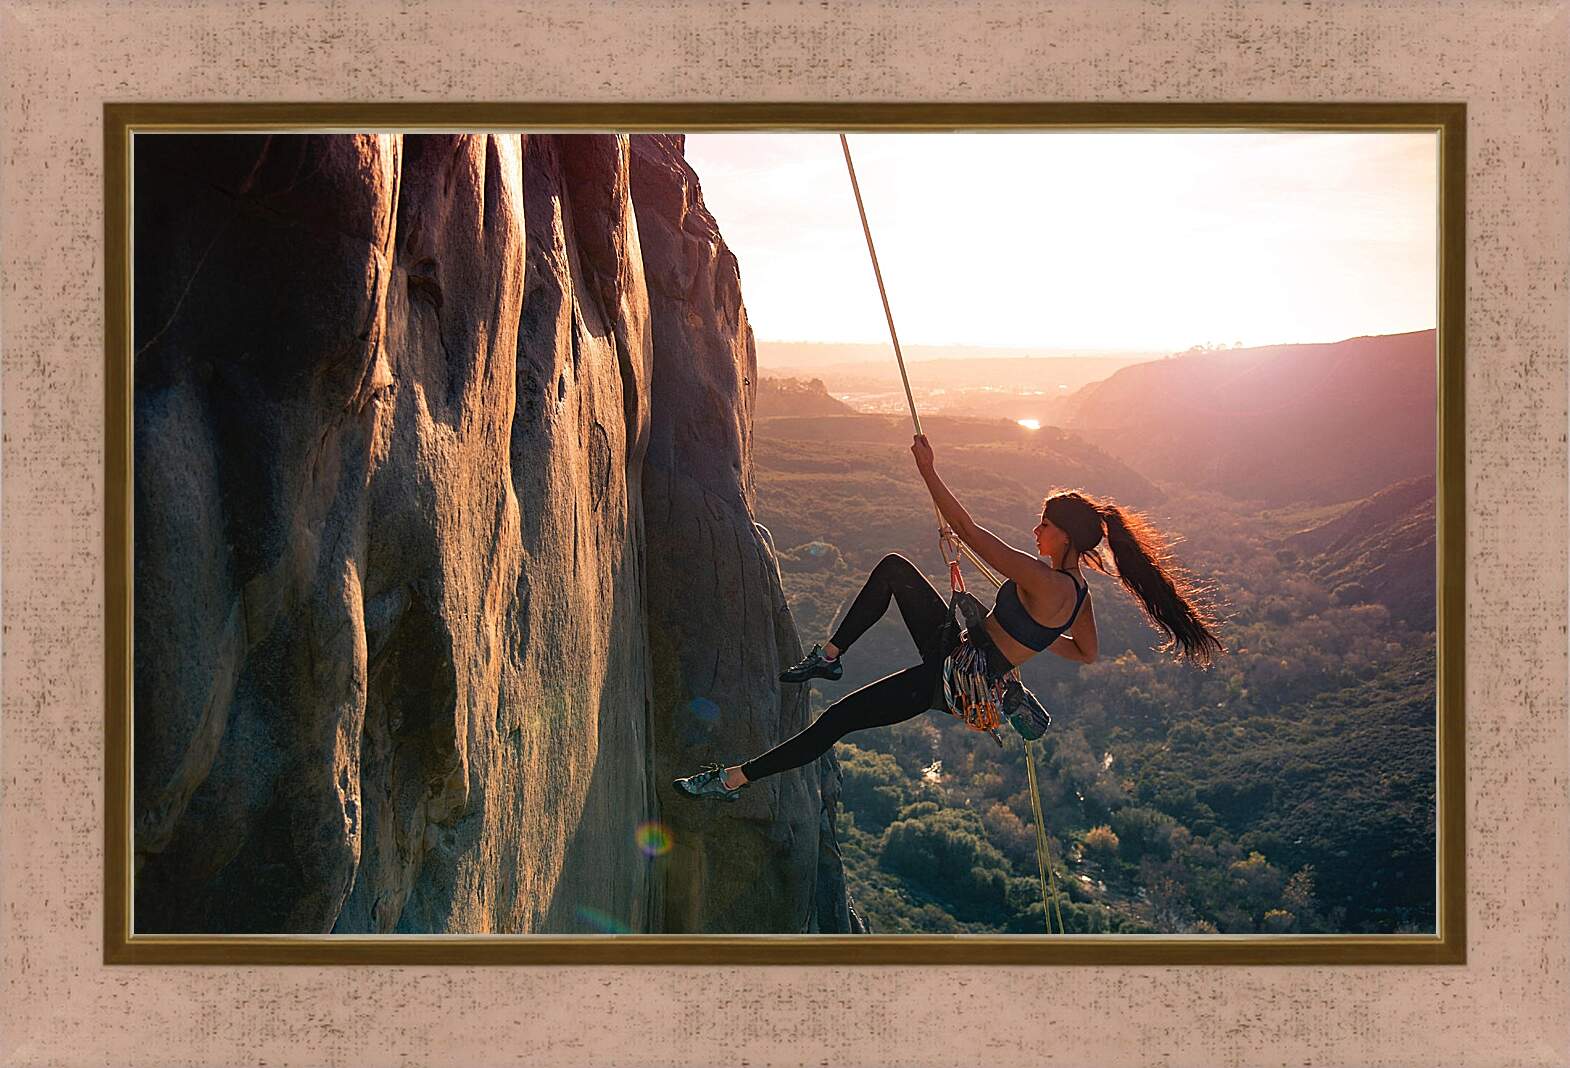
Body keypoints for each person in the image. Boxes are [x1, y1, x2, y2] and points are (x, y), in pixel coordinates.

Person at [673, 433, 1225, 801]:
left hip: (952, 675)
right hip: (965, 656)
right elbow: (1087, 653)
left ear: (1064, 536)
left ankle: (731, 779)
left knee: (835, 722)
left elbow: (970, 531)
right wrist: (1024, 646)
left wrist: (928, 471)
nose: (1036, 531)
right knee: (893, 570)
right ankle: (832, 657)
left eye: (1043, 524)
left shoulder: (1046, 579)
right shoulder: (1078, 596)